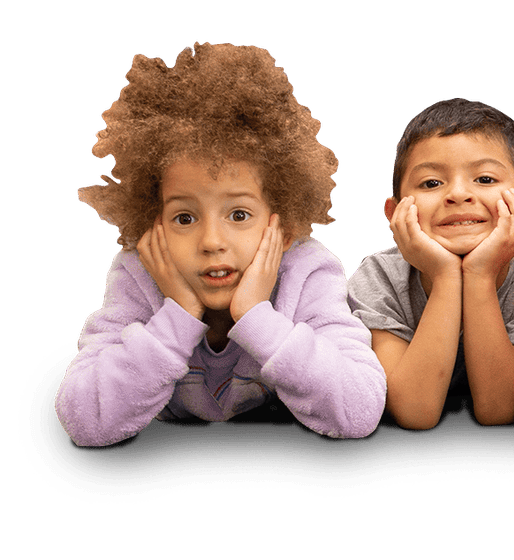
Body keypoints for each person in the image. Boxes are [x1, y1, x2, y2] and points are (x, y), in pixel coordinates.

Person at [57, 42, 385, 446]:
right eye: (184, 218)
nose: (212, 242)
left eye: (239, 215)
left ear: (281, 228)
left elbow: (359, 411)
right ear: (151, 221)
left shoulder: (305, 270)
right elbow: (84, 422)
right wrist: (176, 317)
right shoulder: (139, 273)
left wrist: (257, 318)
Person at [348, 98, 514, 429]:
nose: (458, 194)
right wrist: (445, 276)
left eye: (485, 179)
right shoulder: (379, 277)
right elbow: (414, 413)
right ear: (395, 214)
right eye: (431, 183)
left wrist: (479, 276)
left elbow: (500, 410)